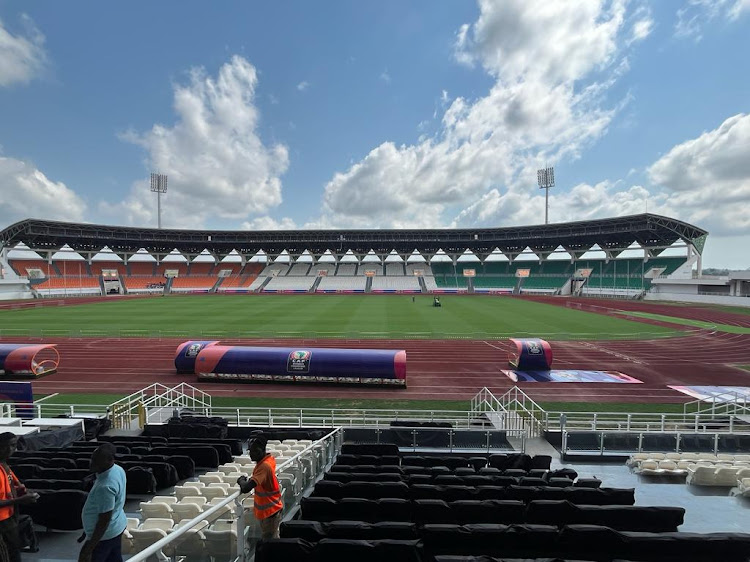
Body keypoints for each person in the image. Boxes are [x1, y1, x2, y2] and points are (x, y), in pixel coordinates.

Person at [79, 443, 127, 562]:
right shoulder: (117, 469)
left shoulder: (105, 486)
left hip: (105, 536)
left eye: (96, 460)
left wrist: (89, 548)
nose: (91, 463)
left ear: (110, 460)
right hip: (116, 526)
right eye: (92, 459)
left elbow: (104, 520)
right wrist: (87, 530)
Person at [0, 433, 38, 562]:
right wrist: (20, 500)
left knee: (14, 554)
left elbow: (10, 489)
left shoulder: (4, 465)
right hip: (2, 522)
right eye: (7, 446)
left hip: (10, 519)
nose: (11, 449)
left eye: (14, 445)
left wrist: (22, 493)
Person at [237, 437, 283, 540]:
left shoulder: (264, 467)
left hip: (270, 512)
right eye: (250, 451)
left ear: (263, 450)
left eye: (255, 451)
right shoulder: (268, 460)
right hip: (272, 510)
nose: (251, 454)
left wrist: (241, 481)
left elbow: (246, 488)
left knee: (269, 542)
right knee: (274, 538)